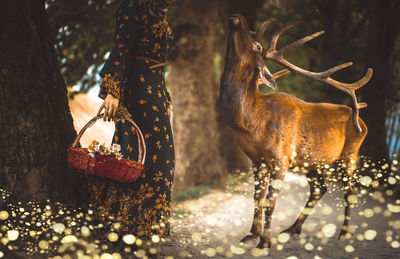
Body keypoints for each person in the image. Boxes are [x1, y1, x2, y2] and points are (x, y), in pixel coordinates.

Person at [88, 0, 176, 241]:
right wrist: (113, 91)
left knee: (159, 159)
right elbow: (121, 48)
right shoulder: (133, 6)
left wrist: (165, 98)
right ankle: (130, 225)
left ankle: (146, 225)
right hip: (138, 92)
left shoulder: (156, 10)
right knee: (137, 155)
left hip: (156, 92)